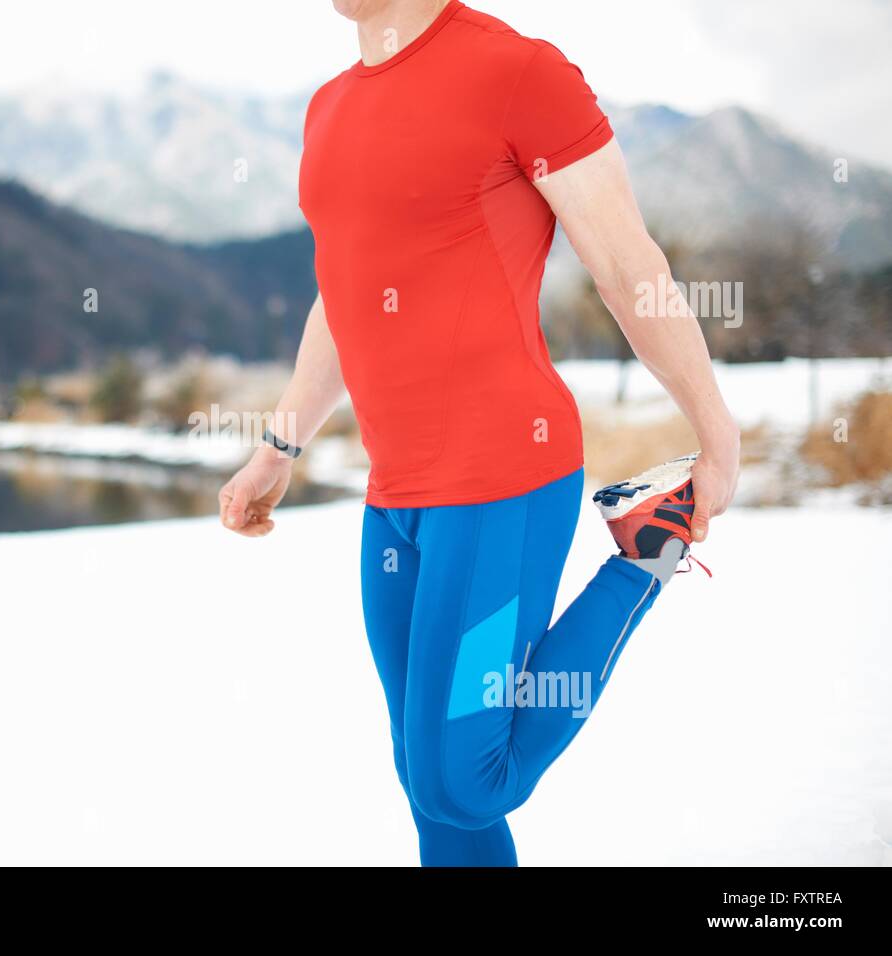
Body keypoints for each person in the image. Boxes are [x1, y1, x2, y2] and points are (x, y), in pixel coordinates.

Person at [217, 0, 740, 866]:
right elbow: (344, 293)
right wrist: (280, 445)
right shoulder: (329, 107)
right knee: (431, 790)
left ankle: (653, 545)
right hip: (395, 500)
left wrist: (714, 432)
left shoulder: (519, 73)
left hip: (504, 479)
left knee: (462, 779)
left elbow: (627, 266)